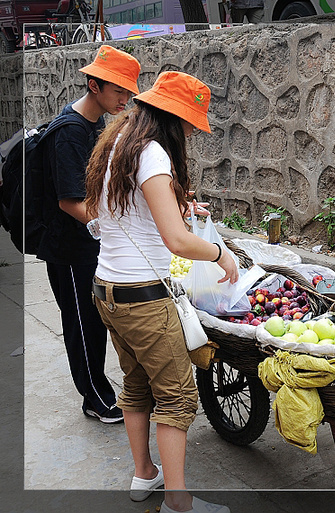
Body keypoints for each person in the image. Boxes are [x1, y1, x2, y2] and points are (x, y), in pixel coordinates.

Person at [85, 71, 238, 513]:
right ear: (171, 117)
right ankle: (179, 503)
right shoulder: (152, 153)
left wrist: (178, 201)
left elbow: (116, 211)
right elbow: (176, 240)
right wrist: (219, 255)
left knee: (135, 386)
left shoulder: (120, 142)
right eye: (190, 122)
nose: (192, 130)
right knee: (177, 397)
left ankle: (144, 473)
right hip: (143, 297)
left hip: (108, 290)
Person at [37, 44, 141, 424]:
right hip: (68, 248)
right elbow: (69, 202)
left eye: (129, 92)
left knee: (96, 321)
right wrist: (111, 225)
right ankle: (95, 398)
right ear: (94, 85)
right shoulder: (69, 133)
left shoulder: (98, 124)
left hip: (90, 243)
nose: (125, 99)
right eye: (118, 91)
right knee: (82, 324)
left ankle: (99, 390)